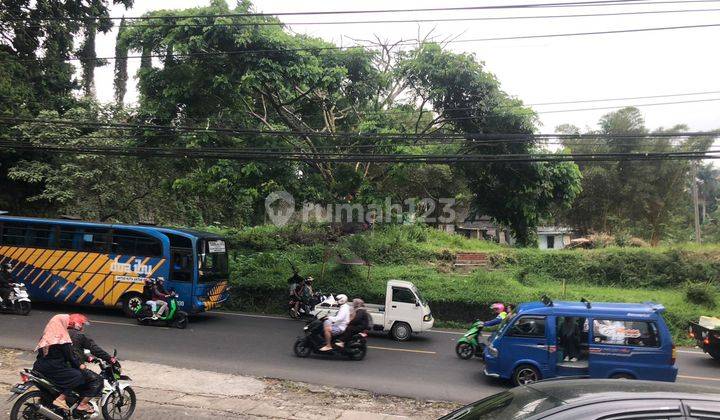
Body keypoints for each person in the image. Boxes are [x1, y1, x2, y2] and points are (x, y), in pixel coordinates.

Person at [33, 314, 95, 413]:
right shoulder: (62, 338)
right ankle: (61, 399)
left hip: (38, 366)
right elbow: (70, 357)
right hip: (53, 368)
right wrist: (80, 365)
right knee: (78, 375)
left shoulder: (46, 336)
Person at [67, 314, 107, 404]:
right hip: (74, 367)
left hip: (60, 366)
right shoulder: (79, 335)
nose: (83, 327)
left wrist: (87, 358)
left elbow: (71, 351)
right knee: (98, 380)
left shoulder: (63, 333)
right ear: (78, 324)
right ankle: (82, 405)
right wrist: (109, 358)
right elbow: (95, 349)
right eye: (82, 324)